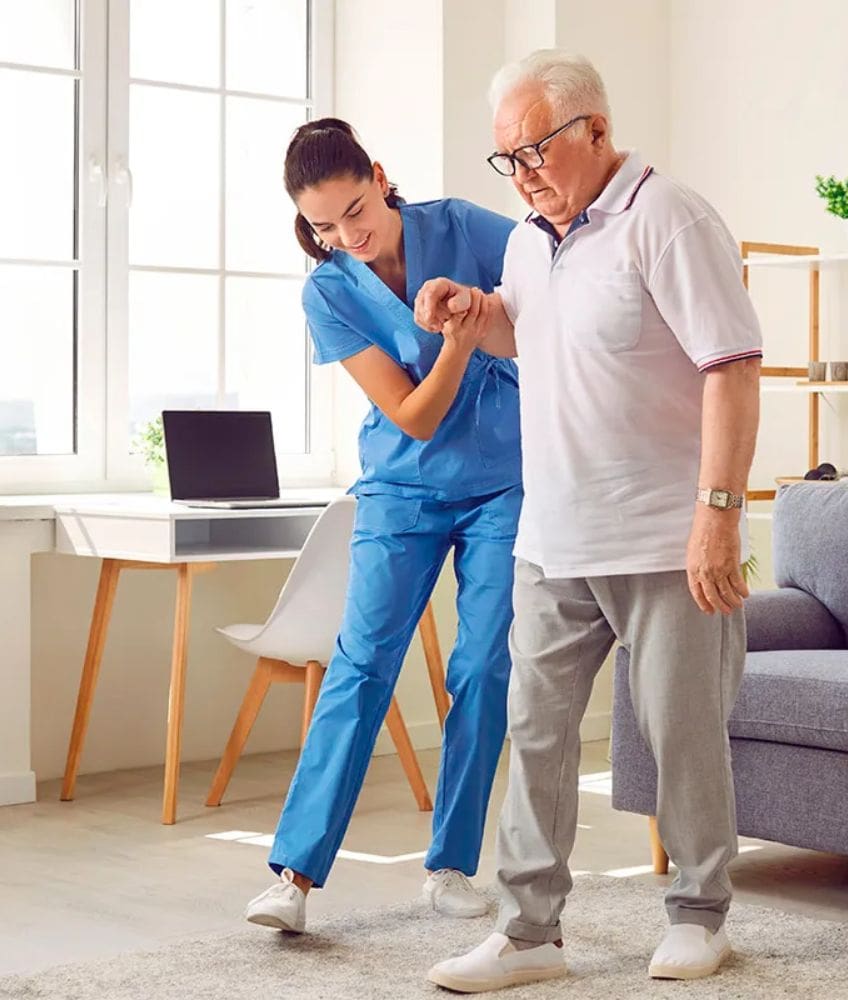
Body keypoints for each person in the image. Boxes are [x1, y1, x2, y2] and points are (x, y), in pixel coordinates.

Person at [415, 50, 763, 991]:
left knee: (681, 731)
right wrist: (473, 312)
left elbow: (731, 367)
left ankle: (700, 913)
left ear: (595, 131)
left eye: (534, 150)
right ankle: (530, 934)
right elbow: (536, 335)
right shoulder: (530, 240)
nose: (522, 172)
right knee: (534, 732)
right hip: (554, 536)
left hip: (663, 535)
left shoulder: (670, 217)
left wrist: (718, 517)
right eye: (507, 158)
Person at [244, 118, 522, 934]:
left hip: (505, 483)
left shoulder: (467, 227)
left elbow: (557, 271)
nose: (348, 236)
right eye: (325, 226)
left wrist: (486, 316)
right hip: (401, 489)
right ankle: (292, 876)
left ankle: (450, 867)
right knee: (362, 665)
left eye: (356, 210)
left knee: (480, 668)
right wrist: (460, 347)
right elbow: (411, 414)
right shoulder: (329, 290)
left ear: (380, 175)